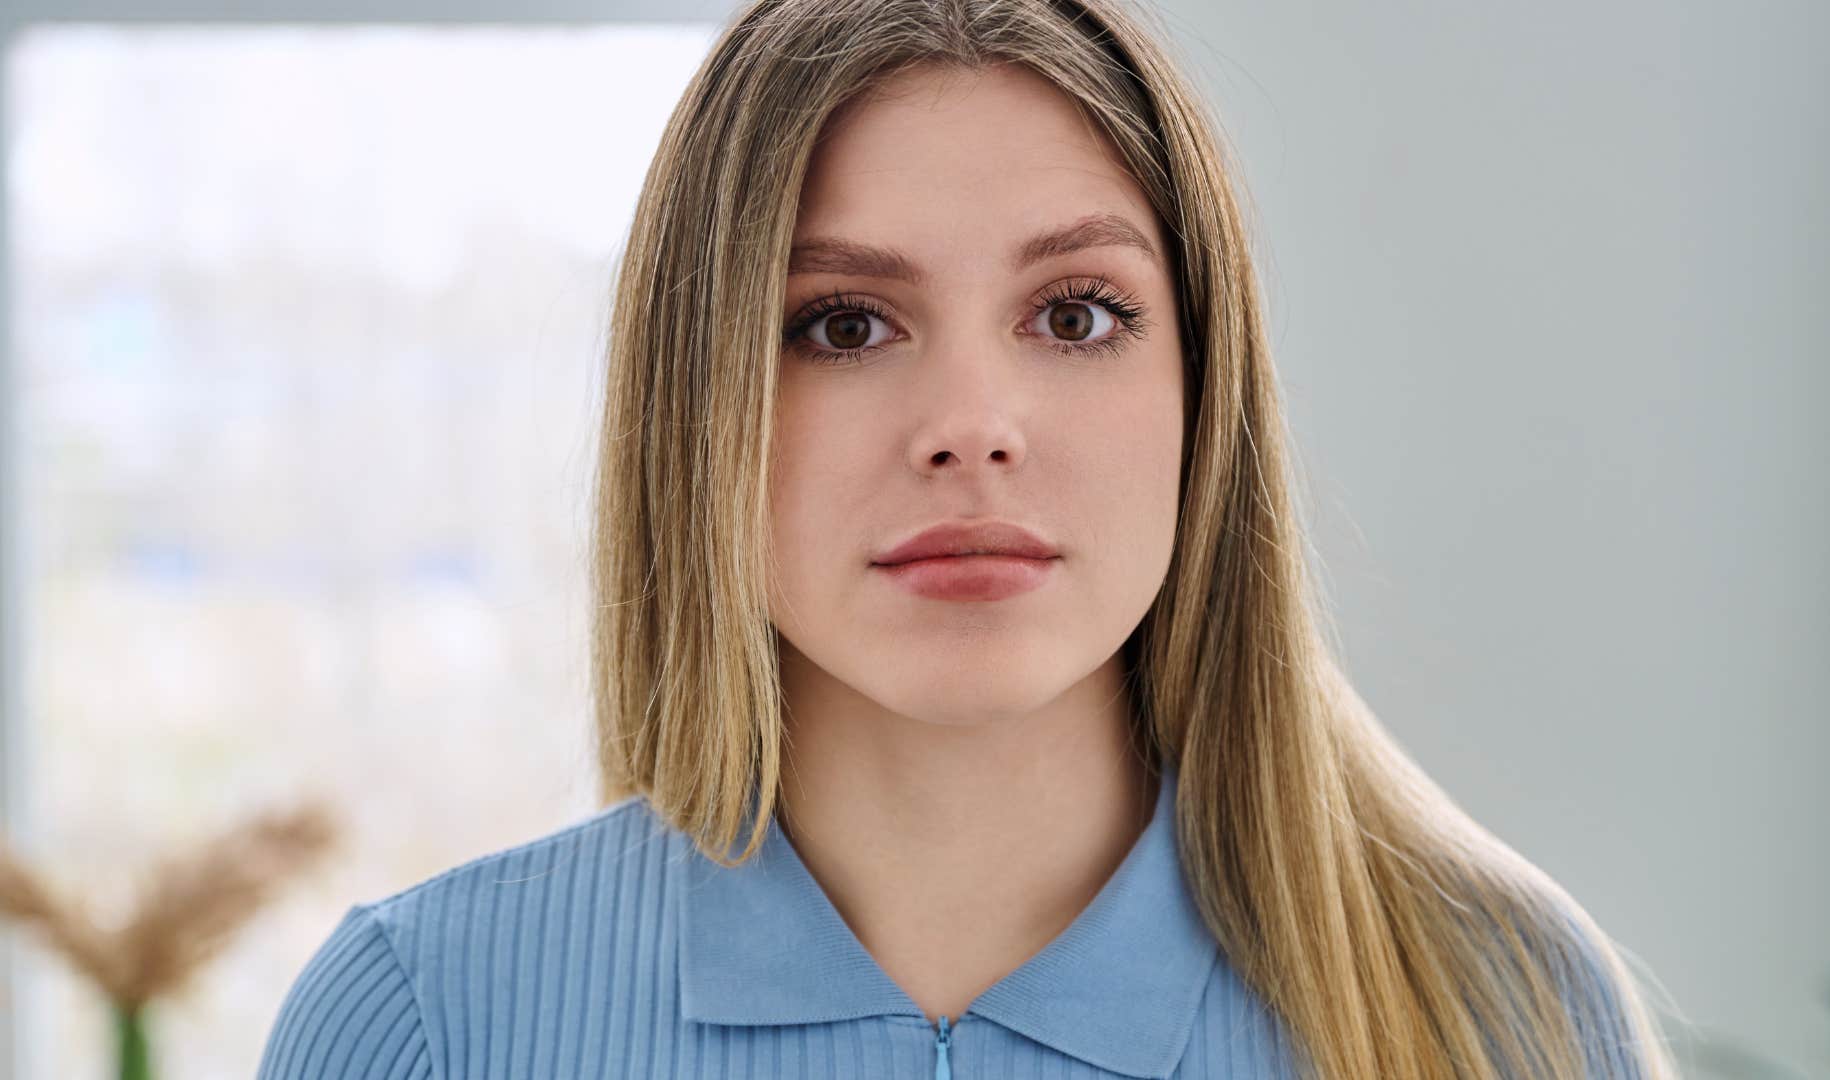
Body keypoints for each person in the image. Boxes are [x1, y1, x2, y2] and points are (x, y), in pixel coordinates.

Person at [257, 0, 1688, 1076]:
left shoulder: (1500, 1005)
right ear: (696, 407)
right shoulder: (428, 1021)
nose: (970, 426)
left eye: (1075, 315)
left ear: (1206, 388)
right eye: (842, 324)